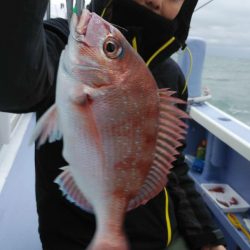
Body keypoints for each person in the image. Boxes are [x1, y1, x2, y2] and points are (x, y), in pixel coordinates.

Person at [0, 0, 226, 249]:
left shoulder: (172, 77)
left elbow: (174, 168)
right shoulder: (63, 41)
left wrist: (207, 237)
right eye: (110, 47)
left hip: (162, 239)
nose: (156, 0)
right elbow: (15, 83)